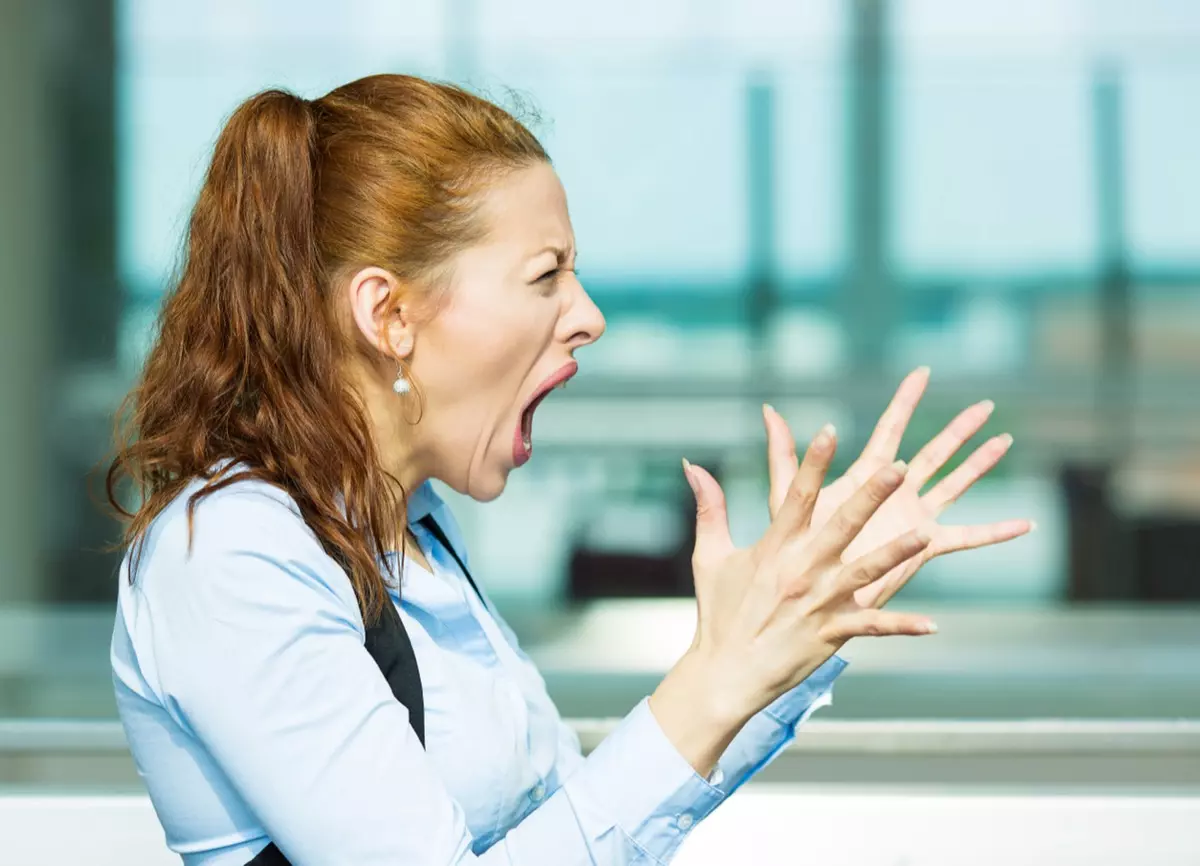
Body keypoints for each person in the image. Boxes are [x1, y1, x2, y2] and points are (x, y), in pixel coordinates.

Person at [107, 74, 1030, 865]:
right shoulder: (232, 554)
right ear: (387, 315)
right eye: (546, 276)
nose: (587, 315)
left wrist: (783, 637)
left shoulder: (416, 532)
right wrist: (708, 682)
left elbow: (573, 830)